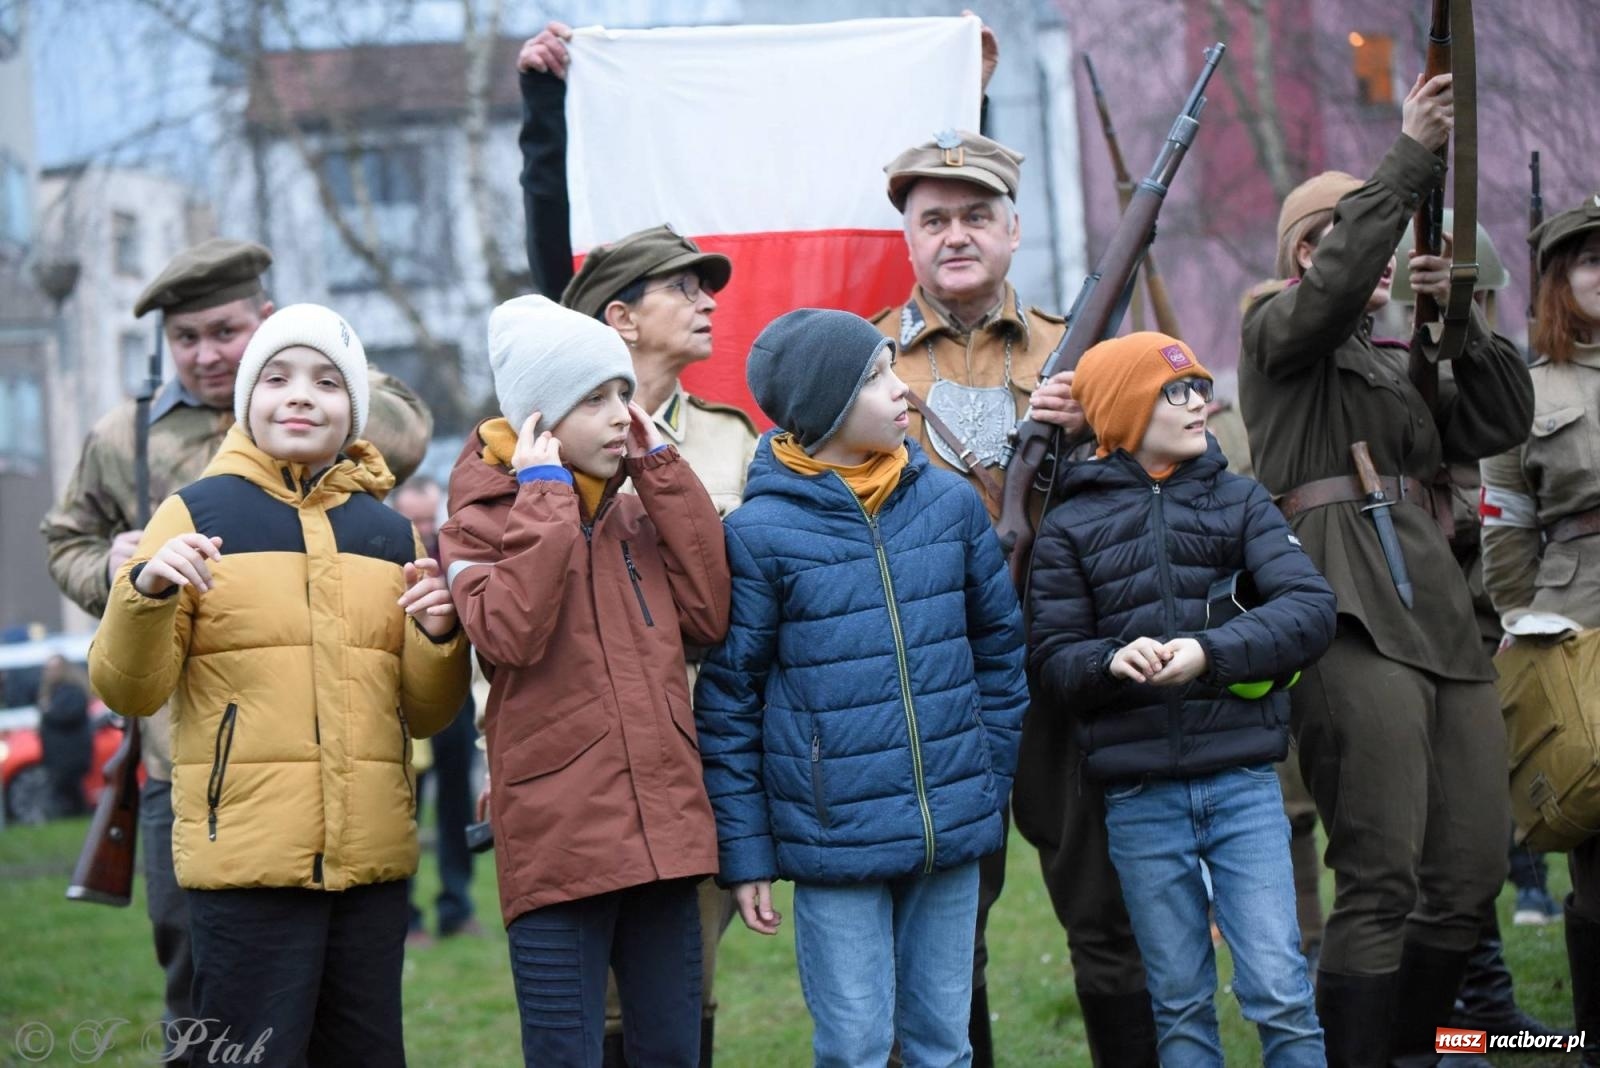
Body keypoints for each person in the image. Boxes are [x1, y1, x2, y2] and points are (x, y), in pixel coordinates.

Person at [38, 239, 432, 1063]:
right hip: (198, 772)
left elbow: (398, 433)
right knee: (214, 1002)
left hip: (353, 809)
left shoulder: (372, 500)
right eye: (188, 339)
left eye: (225, 332)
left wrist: (440, 629)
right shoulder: (134, 439)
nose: (207, 354)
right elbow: (72, 550)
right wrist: (128, 576)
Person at [1237, 72, 1534, 1063]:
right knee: (1379, 874)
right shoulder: (1273, 334)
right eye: (1322, 243)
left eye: (1359, 240)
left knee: (1468, 867)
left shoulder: (1389, 354)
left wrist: (1461, 328)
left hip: (1437, 613)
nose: (1356, 260)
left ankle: (1411, 1049)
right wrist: (1408, 158)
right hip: (1345, 609)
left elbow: (1498, 424)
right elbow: (1319, 301)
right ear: (1298, 260)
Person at [873, 129, 1148, 1059]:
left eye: (977, 216)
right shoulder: (859, 366)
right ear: (907, 238)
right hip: (938, 677)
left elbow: (1164, 488)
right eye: (935, 218)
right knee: (950, 930)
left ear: (1015, 230)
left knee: (1106, 909)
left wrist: (1090, 435)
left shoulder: (1086, 353)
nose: (957, 235)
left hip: (1069, 660)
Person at [694, 308, 1028, 1067]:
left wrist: (985, 775)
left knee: (945, 1043)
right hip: (831, 838)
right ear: (826, 408)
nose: (900, 388)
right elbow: (731, 702)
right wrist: (745, 854)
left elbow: (1002, 655)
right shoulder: (759, 535)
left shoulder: (949, 508)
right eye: (876, 377)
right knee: (855, 1045)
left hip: (950, 824)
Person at [439, 295, 730, 1067]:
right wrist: (543, 497)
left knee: (673, 1050)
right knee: (566, 1052)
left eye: (622, 395)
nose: (617, 415)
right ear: (536, 419)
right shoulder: (477, 525)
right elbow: (509, 634)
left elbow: (710, 612)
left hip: (664, 836)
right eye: (593, 399)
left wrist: (661, 470)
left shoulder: (638, 515)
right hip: (558, 846)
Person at [1028, 331, 1335, 1062]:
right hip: (1139, 801)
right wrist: (1110, 662)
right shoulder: (1069, 526)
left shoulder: (1241, 499)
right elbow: (1052, 661)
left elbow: (1309, 609)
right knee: (1179, 1006)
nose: (1198, 401)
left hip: (1243, 787)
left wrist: (1209, 654)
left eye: (1198, 385)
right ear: (1124, 412)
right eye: (1175, 390)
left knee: (1282, 995)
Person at [1480, 192, 1600, 1064]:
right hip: (1579, 626)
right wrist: (1527, 641)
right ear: (1560, 281)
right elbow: (1507, 534)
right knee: (1596, 843)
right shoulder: (1526, 391)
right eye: (1589, 261)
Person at [392, 476, 481, 945]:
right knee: (403, 806)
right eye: (417, 520)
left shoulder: (454, 556)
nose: (425, 529)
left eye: (431, 519)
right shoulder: (385, 555)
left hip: (457, 697)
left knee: (455, 807)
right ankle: (405, 917)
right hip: (403, 699)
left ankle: (457, 906)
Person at [36, 654, 93, 819]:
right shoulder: (54, 691)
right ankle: (74, 815)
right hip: (59, 753)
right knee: (67, 790)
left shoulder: (73, 691)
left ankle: (78, 814)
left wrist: (48, 712)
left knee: (69, 788)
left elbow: (70, 715)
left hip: (71, 752)